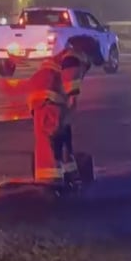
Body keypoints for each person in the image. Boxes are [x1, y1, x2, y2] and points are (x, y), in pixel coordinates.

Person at [28, 48, 88, 185]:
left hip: (47, 97)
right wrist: (72, 95)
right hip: (48, 99)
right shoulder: (76, 56)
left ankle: (67, 176)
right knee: (49, 140)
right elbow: (70, 73)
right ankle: (49, 181)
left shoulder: (67, 54)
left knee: (60, 137)